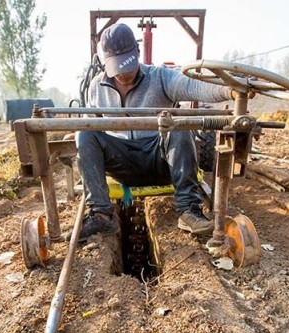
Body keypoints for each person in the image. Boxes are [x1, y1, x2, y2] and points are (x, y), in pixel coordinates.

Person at [75, 23, 238, 241]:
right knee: (85, 133)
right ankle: (103, 216)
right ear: (105, 62)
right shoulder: (96, 86)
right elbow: (92, 133)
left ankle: (188, 210)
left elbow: (193, 86)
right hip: (122, 164)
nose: (123, 74)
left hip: (160, 159)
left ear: (137, 53)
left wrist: (229, 90)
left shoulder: (161, 77)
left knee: (179, 123)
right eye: (117, 68)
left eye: (128, 66)